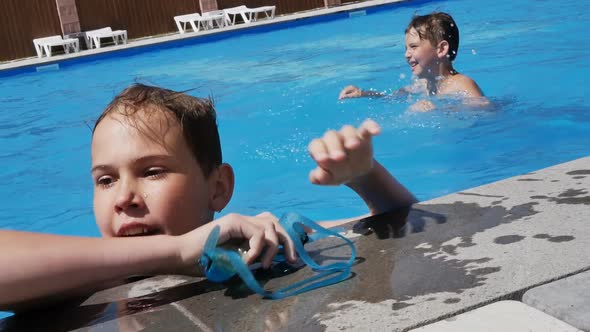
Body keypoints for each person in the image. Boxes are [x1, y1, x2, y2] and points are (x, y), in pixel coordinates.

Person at [0, 84, 416, 312]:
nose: (124, 197)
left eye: (151, 171)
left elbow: (397, 228)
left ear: (218, 187)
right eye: (105, 180)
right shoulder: (85, 274)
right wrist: (177, 250)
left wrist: (366, 176)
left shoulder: (255, 245)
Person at [339, 12, 487, 110]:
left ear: (441, 49)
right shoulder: (423, 84)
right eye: (406, 48)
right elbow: (392, 98)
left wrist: (440, 110)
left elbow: (486, 112)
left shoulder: (462, 84)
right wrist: (363, 93)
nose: (406, 54)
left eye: (413, 47)